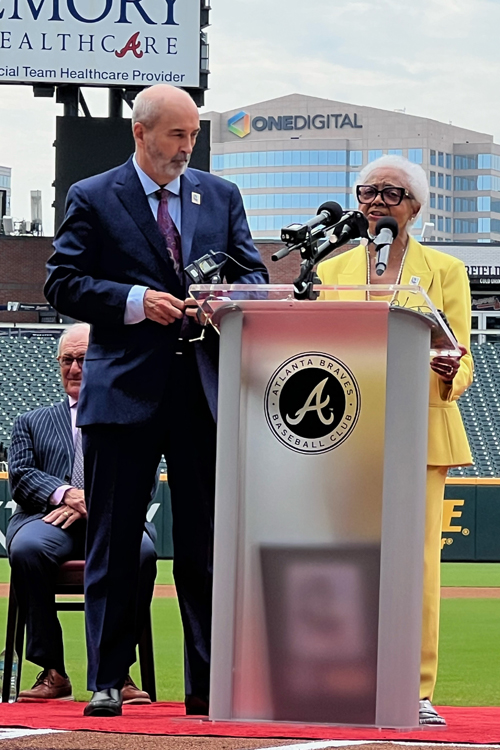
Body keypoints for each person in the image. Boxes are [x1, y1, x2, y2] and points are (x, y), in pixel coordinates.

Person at [44, 84, 269, 717]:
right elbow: (63, 282)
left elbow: (251, 274)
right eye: (176, 134)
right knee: (114, 542)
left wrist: (229, 298)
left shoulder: (219, 195)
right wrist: (135, 302)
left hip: (202, 389)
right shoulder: (92, 196)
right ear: (140, 134)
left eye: (193, 134)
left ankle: (205, 685)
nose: (186, 146)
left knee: (204, 544)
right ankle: (109, 680)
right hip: (122, 394)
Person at [317, 154, 473, 726]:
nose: (377, 201)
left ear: (415, 205)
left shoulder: (446, 270)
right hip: (346, 434)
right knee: (344, 561)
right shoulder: (331, 272)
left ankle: (417, 687)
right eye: (368, 191)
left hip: (421, 433)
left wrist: (450, 366)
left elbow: (462, 352)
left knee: (417, 565)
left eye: (391, 192)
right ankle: (343, 675)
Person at [7, 323, 156, 704]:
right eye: (67, 360)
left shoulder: (129, 415)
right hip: (46, 520)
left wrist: (96, 502)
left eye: (84, 359)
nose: (74, 368)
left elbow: (145, 477)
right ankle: (52, 671)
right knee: (27, 550)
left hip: (114, 519)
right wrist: (68, 494)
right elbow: (21, 477)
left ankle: (116, 672)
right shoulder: (30, 421)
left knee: (141, 553)